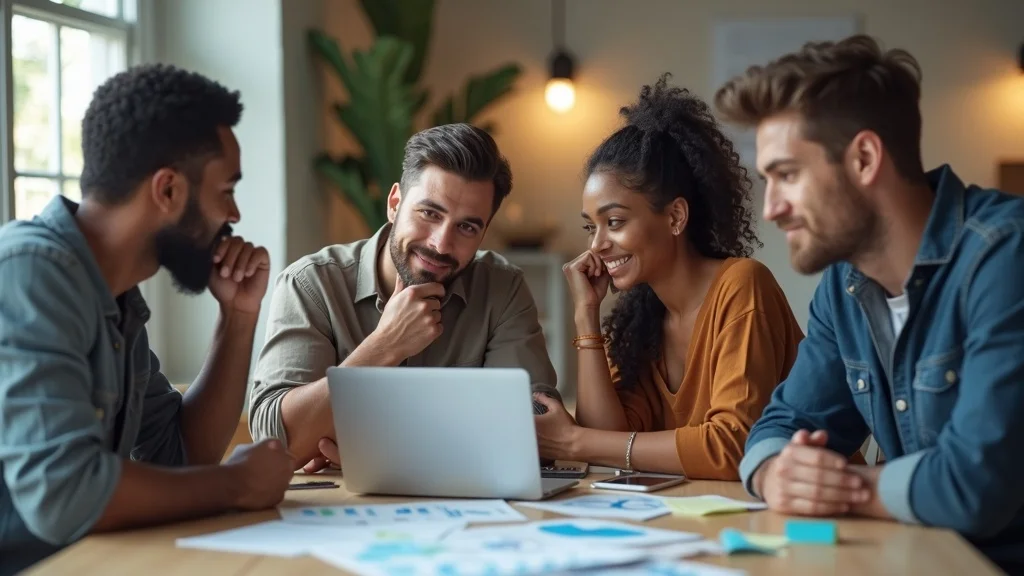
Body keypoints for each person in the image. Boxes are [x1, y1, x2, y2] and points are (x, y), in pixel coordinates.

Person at [714, 34, 1024, 572]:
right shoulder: (844, 286)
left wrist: (839, 487)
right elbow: (782, 424)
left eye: (787, 175)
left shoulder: (1005, 255)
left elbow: (976, 485)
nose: (771, 208)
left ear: (863, 158)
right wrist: (774, 474)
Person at [0, 63, 295, 574]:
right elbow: (64, 494)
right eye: (226, 191)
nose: (234, 216)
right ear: (168, 191)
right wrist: (238, 484)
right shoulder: (31, 273)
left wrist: (238, 316)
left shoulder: (115, 299)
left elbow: (180, 456)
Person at [532, 74, 804, 480]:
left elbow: (733, 446)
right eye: (591, 226)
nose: (597, 245)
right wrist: (586, 316)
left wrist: (573, 442)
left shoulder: (743, 285)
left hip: (816, 508)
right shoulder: (642, 320)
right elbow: (607, 443)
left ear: (675, 216)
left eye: (615, 221)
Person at [249, 123, 560, 471]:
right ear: (395, 203)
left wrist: (386, 451)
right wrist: (383, 347)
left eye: (467, 227)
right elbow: (273, 446)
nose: (441, 244)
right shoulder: (312, 284)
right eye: (430, 213)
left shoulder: (503, 289)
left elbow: (540, 431)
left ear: (483, 232)